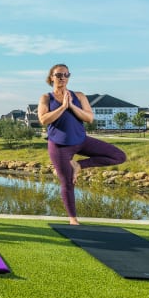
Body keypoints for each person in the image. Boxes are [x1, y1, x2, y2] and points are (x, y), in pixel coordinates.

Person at [37, 64, 126, 225]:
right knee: (67, 182)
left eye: (66, 74)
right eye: (58, 75)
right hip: (59, 146)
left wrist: (71, 105)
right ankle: (73, 219)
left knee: (119, 156)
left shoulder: (79, 96)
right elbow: (43, 120)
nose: (63, 77)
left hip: (81, 141)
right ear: (51, 77)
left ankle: (77, 165)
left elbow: (89, 118)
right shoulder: (46, 98)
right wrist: (63, 107)